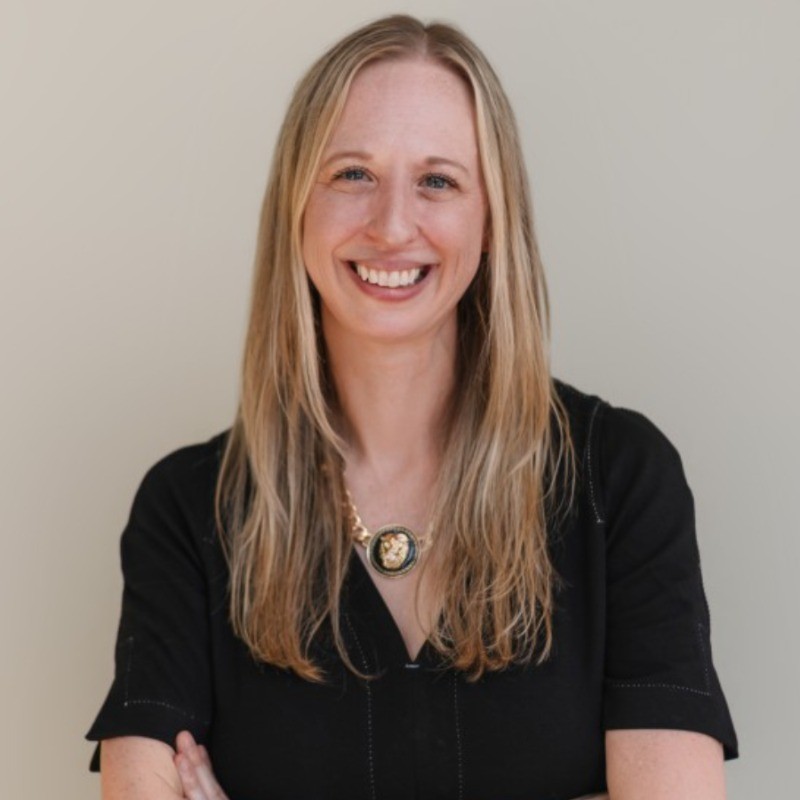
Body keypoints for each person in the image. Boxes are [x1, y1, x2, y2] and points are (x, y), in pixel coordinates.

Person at [86, 14, 737, 800]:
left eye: (439, 180)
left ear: (492, 221)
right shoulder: (188, 512)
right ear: (297, 207)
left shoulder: (621, 480)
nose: (393, 224)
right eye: (353, 173)